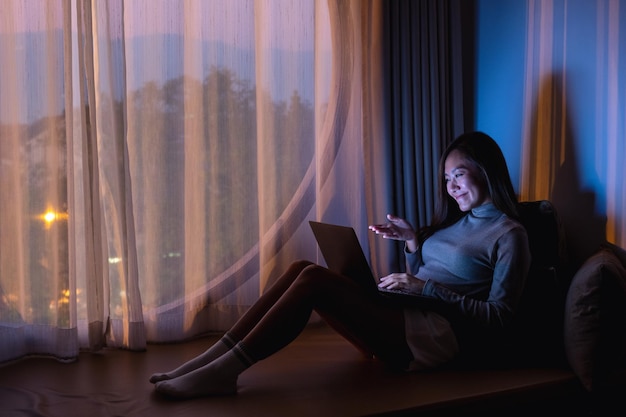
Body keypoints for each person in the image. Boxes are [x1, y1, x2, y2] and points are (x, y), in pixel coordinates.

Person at [149, 131, 531, 399]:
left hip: (433, 341)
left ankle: (223, 372)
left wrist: (424, 289)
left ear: (487, 169)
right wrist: (414, 243)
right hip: (406, 319)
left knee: (313, 278)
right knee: (302, 265)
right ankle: (210, 360)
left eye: (459, 175)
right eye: (446, 178)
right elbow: (438, 274)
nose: (451, 186)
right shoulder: (456, 221)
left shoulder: (509, 234)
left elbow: (499, 317)